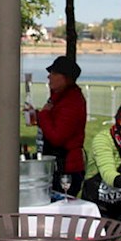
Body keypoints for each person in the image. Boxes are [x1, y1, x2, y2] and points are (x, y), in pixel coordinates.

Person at [28, 55, 86, 197]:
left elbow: (57, 137)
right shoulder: (60, 98)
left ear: (65, 78)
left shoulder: (71, 102)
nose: (49, 77)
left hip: (66, 168)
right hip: (57, 165)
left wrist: (43, 115)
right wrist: (37, 116)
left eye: (54, 73)